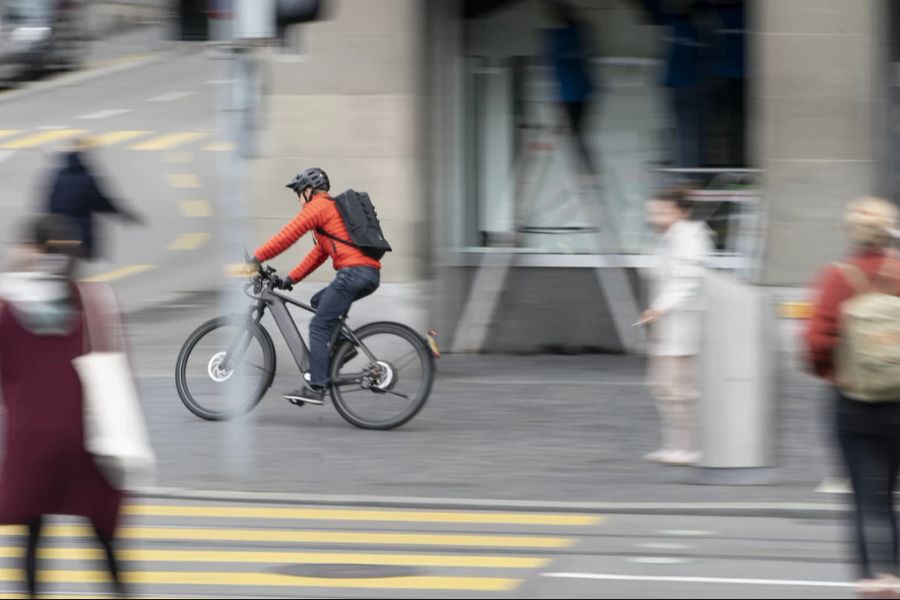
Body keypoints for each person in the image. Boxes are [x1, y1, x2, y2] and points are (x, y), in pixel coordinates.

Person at [0, 215, 125, 598]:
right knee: (102, 538)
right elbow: (115, 364)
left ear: (34, 251)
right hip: (86, 439)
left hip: (31, 441)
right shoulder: (93, 301)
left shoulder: (8, 308)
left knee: (33, 537)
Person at [804, 197, 900, 597]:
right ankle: (894, 573)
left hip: (853, 401)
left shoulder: (837, 277)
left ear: (851, 233)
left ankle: (868, 575)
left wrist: (833, 373)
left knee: (863, 493)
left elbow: (815, 342)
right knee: (891, 494)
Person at [250, 168, 381, 405]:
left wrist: (257, 257)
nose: (299, 201)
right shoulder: (330, 213)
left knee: (318, 326)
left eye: (299, 195)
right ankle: (342, 346)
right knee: (319, 302)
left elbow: (288, 235)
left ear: (309, 191)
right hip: (367, 273)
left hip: (352, 273)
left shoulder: (319, 206)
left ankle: (316, 385)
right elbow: (318, 254)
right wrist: (290, 279)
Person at [641, 187, 713, 465]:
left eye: (662, 211)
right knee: (664, 386)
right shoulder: (666, 239)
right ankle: (674, 444)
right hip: (667, 326)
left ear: (682, 211)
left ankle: (689, 446)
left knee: (678, 388)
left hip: (682, 327)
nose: (656, 217)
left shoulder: (691, 237)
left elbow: (687, 279)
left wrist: (659, 307)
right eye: (653, 211)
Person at [45, 138, 143, 260]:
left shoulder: (56, 175)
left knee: (60, 265)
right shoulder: (85, 177)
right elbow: (100, 202)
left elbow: (47, 204)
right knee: (72, 264)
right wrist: (124, 214)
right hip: (78, 235)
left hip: (55, 233)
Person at [544, 0, 597, 174]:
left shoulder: (559, 38)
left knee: (575, 134)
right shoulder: (578, 34)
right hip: (579, 91)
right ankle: (584, 169)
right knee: (576, 133)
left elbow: (555, 71)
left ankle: (583, 169)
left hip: (571, 93)